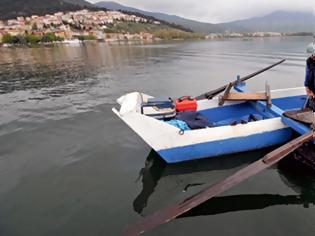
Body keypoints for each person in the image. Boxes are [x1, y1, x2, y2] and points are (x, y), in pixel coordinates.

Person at [304, 42, 315, 110]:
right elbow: (307, 74)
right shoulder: (309, 61)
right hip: (311, 89)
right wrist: (307, 86)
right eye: (311, 55)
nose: (312, 57)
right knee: (309, 108)